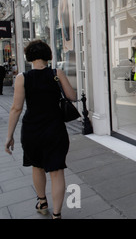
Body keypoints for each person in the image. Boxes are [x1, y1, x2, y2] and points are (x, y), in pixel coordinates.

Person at [4, 40, 76, 219]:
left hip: (32, 131)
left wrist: (9, 136)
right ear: (48, 55)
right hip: (55, 129)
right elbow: (72, 96)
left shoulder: (22, 77)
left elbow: (16, 108)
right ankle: (57, 215)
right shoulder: (56, 73)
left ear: (29, 57)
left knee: (37, 167)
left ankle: (42, 202)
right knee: (57, 171)